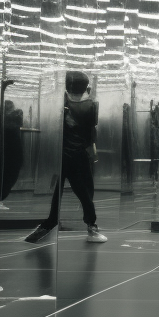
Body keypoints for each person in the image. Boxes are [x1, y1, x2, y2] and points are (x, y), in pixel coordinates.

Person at [25, 72, 105, 244]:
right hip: (79, 156)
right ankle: (91, 226)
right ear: (85, 87)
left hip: (61, 155)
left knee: (59, 192)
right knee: (84, 193)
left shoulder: (62, 103)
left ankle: (51, 223)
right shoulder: (91, 105)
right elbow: (91, 133)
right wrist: (92, 152)